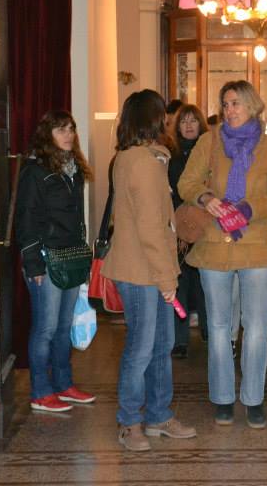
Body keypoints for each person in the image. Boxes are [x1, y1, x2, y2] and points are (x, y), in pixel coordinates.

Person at [178, 80, 267, 429]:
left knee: (256, 326)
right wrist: (206, 198)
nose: (229, 110)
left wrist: (248, 209)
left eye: (236, 103)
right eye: (225, 104)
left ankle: (253, 398)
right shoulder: (208, 142)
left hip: (255, 245)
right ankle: (223, 397)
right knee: (218, 325)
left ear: (252, 106)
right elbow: (186, 183)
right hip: (214, 245)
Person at [104, 90, 197, 451]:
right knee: (141, 349)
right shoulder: (141, 162)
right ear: (154, 119)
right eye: (164, 117)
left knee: (161, 344)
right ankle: (130, 422)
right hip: (141, 270)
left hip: (149, 267)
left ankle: (158, 415)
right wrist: (167, 278)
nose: (169, 122)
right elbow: (150, 226)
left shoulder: (142, 158)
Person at [15, 110, 98, 413]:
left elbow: (75, 219)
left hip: (70, 257)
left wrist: (83, 258)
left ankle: (63, 385)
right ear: (46, 135)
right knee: (46, 328)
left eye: (71, 129)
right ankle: (41, 391)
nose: (68, 135)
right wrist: (33, 263)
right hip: (45, 258)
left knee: (64, 327)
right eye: (61, 130)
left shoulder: (73, 170)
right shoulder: (35, 171)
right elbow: (26, 218)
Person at [167, 103, 209, 358]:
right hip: (179, 227)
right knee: (179, 283)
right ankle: (179, 340)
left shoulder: (210, 152)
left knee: (206, 282)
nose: (189, 125)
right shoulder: (170, 156)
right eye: (184, 121)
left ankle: (209, 331)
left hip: (206, 225)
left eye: (193, 120)